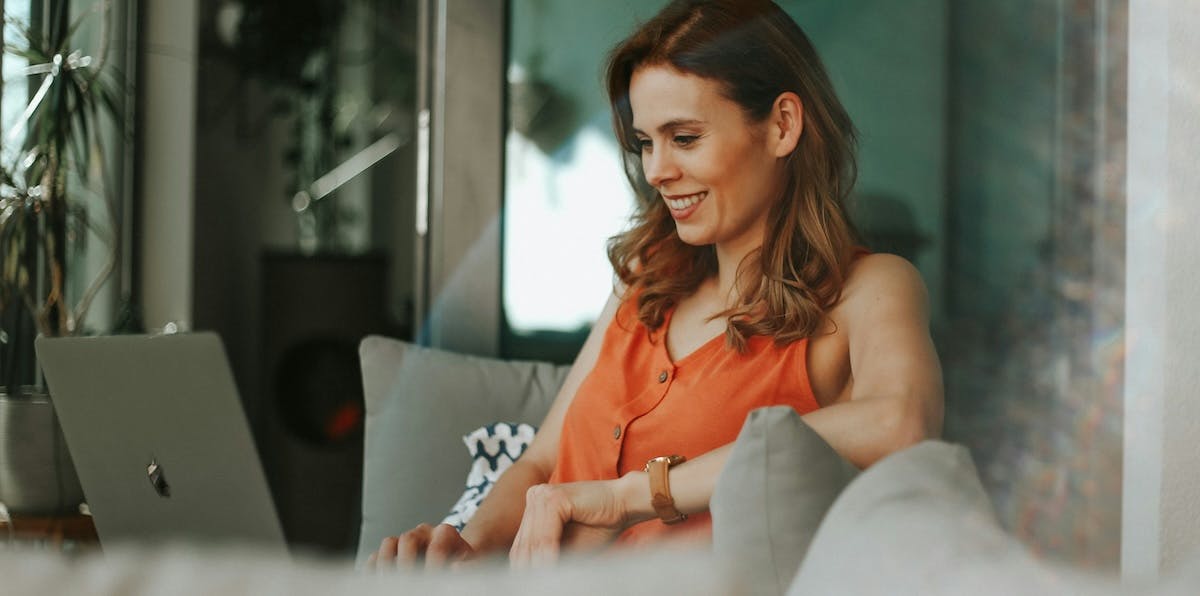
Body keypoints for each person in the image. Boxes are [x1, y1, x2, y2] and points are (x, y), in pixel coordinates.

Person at [369, 0, 943, 570]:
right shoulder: (645, 280)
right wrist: (463, 548)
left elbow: (901, 423)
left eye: (685, 137)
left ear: (782, 125)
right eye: (646, 142)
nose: (655, 170)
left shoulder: (869, 289)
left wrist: (631, 497)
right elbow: (544, 462)